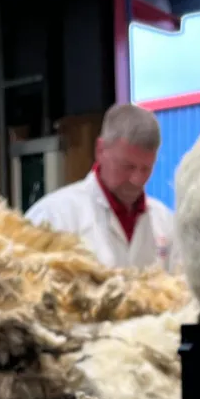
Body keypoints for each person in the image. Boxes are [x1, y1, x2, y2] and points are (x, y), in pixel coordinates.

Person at [24, 103, 181, 273]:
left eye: (146, 168)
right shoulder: (53, 217)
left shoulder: (165, 223)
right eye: (127, 166)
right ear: (100, 150)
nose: (137, 180)